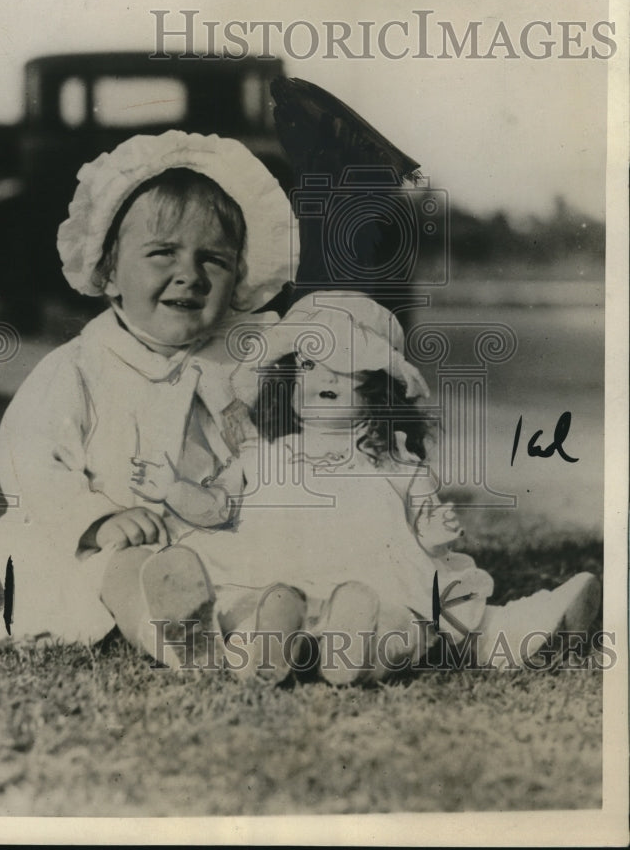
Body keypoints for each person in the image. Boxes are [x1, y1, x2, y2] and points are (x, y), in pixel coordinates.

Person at [0, 130, 299, 666]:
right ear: (109, 271)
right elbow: (31, 461)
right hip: (98, 543)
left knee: (256, 566)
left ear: (240, 277)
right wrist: (94, 519)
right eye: (162, 253)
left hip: (206, 530)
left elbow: (267, 446)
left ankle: (257, 631)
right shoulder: (79, 368)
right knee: (120, 573)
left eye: (214, 259)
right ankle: (178, 640)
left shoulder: (239, 366)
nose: (189, 274)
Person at [162, 292, 601, 684]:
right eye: (311, 364)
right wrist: (172, 489)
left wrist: (436, 534)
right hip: (278, 584)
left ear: (378, 389)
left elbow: (427, 531)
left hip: (373, 592)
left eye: (346, 365)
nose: (326, 378)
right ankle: (254, 646)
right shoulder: (264, 455)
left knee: (398, 621)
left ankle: (354, 650)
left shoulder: (396, 463)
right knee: (255, 605)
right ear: (289, 380)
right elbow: (215, 507)